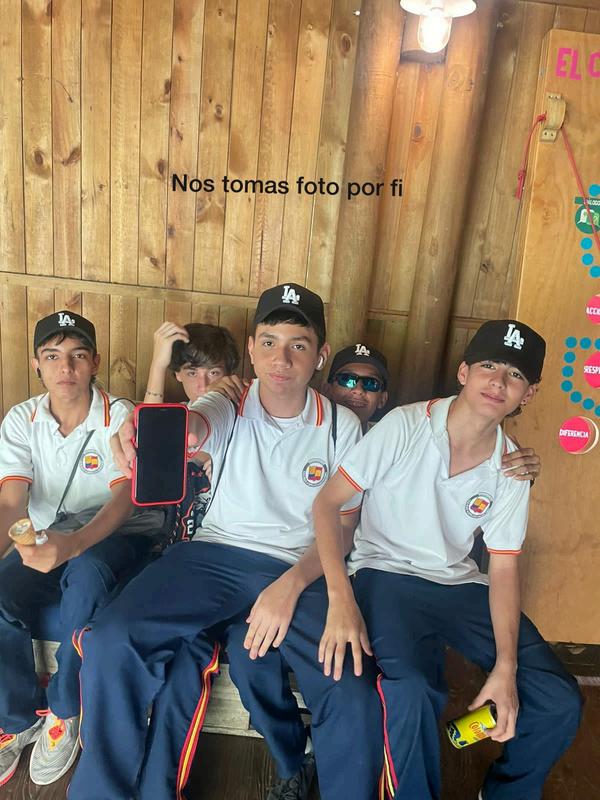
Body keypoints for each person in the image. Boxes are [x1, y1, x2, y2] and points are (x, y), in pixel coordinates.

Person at [67, 283, 383, 800]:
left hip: (301, 568)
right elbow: (194, 425)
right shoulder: (228, 400)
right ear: (252, 348)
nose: (281, 359)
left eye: (299, 345)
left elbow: (343, 527)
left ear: (320, 355)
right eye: (269, 342)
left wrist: (288, 586)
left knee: (350, 683)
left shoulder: (341, 426)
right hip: (211, 556)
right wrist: (148, 430)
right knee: (111, 639)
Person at [313, 319, 582, 800]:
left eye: (515, 375)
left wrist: (505, 667)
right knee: (413, 689)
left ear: (529, 394)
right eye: (488, 365)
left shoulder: (512, 467)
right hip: (385, 574)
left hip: (459, 584)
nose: (497, 381)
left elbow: (503, 567)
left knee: (558, 698)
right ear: (464, 372)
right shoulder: (405, 426)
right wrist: (340, 598)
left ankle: (505, 793)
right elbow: (327, 503)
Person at [0, 311, 163, 788]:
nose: (65, 368)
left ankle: (65, 708)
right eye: (52, 356)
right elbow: (11, 503)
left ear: (95, 362)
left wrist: (73, 544)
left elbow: (125, 499)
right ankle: (16, 716)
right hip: (50, 536)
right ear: (37, 364)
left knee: (87, 576)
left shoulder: (119, 415)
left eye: (77, 356)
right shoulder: (22, 419)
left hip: (115, 535)